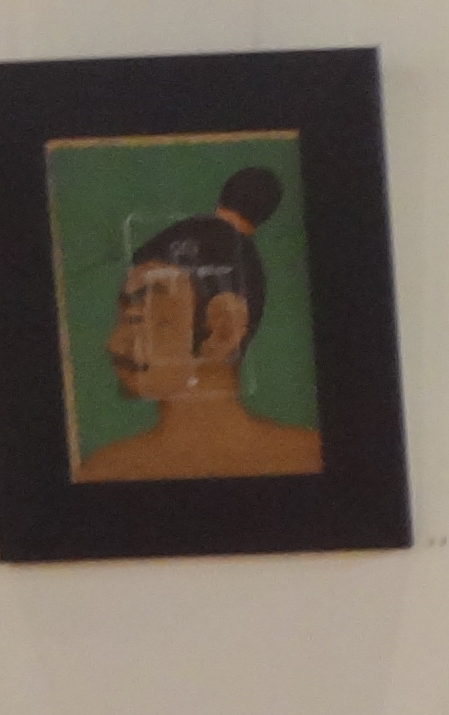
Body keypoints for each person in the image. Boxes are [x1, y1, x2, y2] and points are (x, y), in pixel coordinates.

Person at [78, 165, 324, 481]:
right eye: (125, 316)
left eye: (140, 318)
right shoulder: (105, 470)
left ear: (222, 331)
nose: (114, 344)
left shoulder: (308, 457)